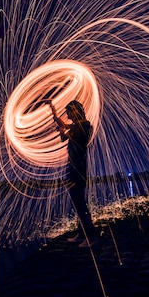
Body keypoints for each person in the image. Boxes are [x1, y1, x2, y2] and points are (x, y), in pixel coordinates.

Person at [46, 99, 97, 246]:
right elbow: (62, 128)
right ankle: (82, 234)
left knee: (80, 203)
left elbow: (65, 136)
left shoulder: (84, 126)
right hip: (73, 167)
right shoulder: (77, 126)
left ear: (75, 111)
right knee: (77, 202)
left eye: (68, 111)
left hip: (78, 169)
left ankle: (91, 237)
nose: (67, 114)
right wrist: (51, 107)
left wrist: (62, 131)